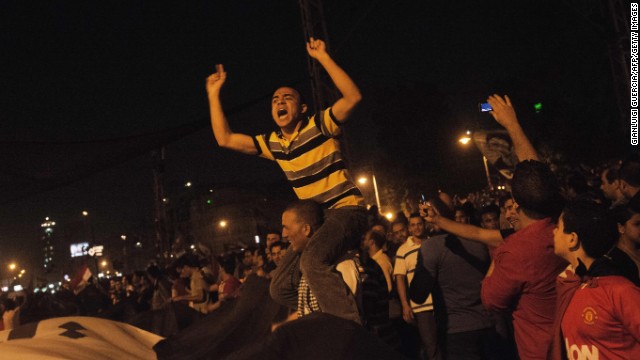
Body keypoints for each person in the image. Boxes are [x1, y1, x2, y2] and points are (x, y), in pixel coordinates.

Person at [207, 38, 365, 324]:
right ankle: (317, 310)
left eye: (287, 98)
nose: (280, 102)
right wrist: (213, 94)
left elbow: (353, 97)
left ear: (303, 108)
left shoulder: (319, 124)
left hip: (345, 211)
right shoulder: (274, 144)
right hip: (315, 224)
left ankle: (347, 325)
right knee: (278, 287)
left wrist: (324, 58)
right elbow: (225, 138)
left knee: (312, 261)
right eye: (275, 100)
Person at [480, 94, 567, 360]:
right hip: (578, 344)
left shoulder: (515, 251)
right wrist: (512, 124)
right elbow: (537, 176)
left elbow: (490, 300)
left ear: (515, 204)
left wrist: (505, 247)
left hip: (542, 352)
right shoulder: (563, 224)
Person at [550, 202, 640, 359]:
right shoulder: (569, 283)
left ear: (572, 239)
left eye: (558, 226)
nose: (553, 231)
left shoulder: (620, 291)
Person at [393, 212, 439, 360]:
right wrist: (405, 305)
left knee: (447, 343)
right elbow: (400, 278)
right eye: (413, 225)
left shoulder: (434, 243)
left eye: (419, 223)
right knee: (431, 347)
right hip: (421, 306)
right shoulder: (403, 250)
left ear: (424, 224)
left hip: (441, 302)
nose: (417, 227)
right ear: (409, 228)